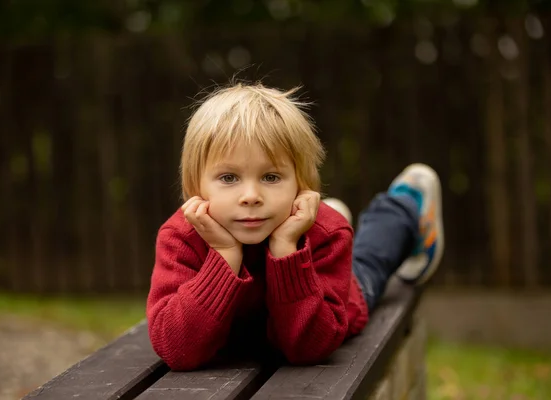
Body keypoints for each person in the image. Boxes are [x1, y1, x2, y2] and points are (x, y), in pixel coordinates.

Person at [146, 82, 444, 371]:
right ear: (195, 184)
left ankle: (406, 205)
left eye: (271, 177)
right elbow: (176, 349)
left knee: (368, 265)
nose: (250, 196)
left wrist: (287, 249)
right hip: (257, 328)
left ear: (301, 184)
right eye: (228, 178)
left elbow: (309, 349)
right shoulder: (181, 237)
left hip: (324, 295)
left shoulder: (325, 234)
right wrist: (225, 255)